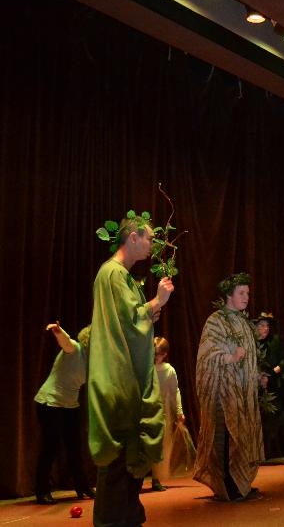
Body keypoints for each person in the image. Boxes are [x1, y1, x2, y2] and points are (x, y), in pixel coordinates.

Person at [88, 213, 174, 526]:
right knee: (118, 461)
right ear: (133, 238)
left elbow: (133, 318)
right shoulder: (112, 273)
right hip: (119, 377)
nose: (152, 244)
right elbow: (129, 320)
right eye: (149, 238)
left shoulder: (119, 275)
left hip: (123, 376)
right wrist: (157, 301)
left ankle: (125, 517)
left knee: (127, 462)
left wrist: (149, 311)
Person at [194, 273, 263, 501]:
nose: (246, 297)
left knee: (242, 438)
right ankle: (228, 487)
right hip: (223, 394)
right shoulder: (216, 321)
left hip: (243, 394)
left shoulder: (243, 322)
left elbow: (249, 357)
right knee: (225, 441)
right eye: (241, 293)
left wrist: (256, 376)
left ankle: (241, 484)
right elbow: (207, 355)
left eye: (248, 293)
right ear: (229, 295)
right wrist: (230, 358)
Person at [34, 322, 94, 505]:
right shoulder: (75, 349)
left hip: (70, 405)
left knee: (75, 448)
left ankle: (82, 486)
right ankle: (42, 491)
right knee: (50, 447)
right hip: (49, 402)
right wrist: (58, 331)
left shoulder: (93, 361)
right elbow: (65, 341)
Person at [253, 312, 284, 463]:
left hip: (276, 389)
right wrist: (259, 377)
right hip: (257, 391)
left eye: (267, 326)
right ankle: (256, 456)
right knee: (258, 424)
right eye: (261, 326)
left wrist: (272, 373)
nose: (265, 329)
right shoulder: (252, 344)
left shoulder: (276, 341)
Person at [150, 336, 185, 491]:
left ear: (164, 354)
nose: (154, 357)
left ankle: (156, 478)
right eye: (153, 353)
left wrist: (179, 411)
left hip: (162, 411)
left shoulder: (169, 370)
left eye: (157, 354)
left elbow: (175, 391)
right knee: (147, 444)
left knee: (161, 445)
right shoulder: (147, 368)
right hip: (148, 410)